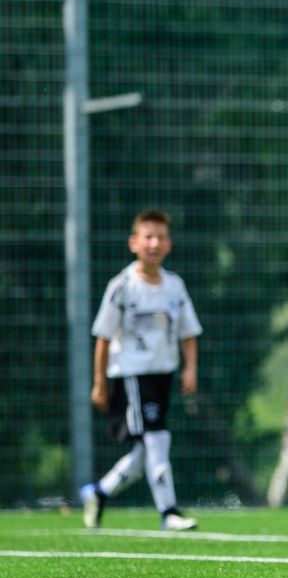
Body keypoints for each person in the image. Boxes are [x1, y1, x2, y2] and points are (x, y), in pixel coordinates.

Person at [80, 209, 202, 532]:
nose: (154, 243)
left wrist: (190, 368)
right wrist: (99, 382)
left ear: (169, 244)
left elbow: (188, 332)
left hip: (163, 375)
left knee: (145, 450)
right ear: (134, 242)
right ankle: (169, 512)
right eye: (148, 237)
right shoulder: (122, 286)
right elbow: (103, 337)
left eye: (160, 237)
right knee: (158, 438)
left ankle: (98, 492)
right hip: (132, 375)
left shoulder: (175, 287)